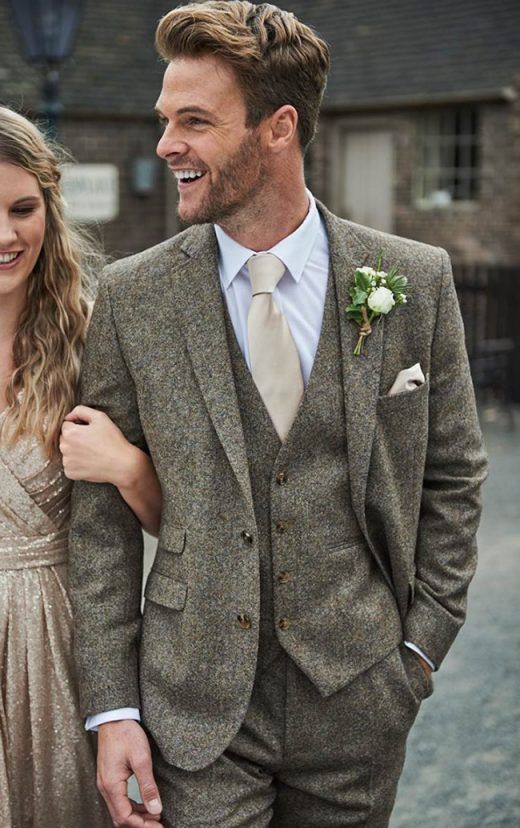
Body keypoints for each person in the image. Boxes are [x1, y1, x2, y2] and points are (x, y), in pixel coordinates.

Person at [68, 2, 488, 826]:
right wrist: (112, 707)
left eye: (194, 121)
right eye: (165, 120)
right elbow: (96, 526)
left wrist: (419, 650)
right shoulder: (132, 297)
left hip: (360, 701)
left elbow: (455, 473)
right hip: (196, 710)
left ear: (278, 126)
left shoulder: (415, 279)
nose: (165, 146)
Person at [0, 99, 161, 827]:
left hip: (64, 652)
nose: (4, 234)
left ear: (49, 213)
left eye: (24, 208)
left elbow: (189, 522)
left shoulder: (99, 339)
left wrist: (127, 466)